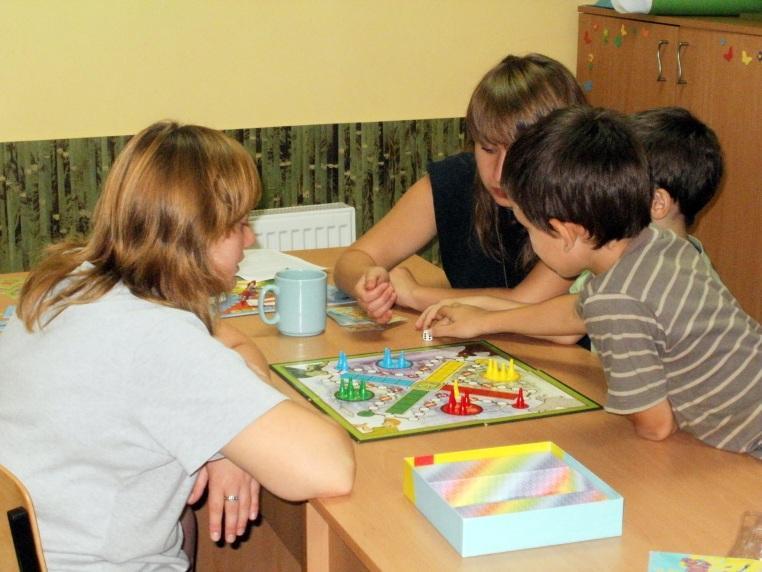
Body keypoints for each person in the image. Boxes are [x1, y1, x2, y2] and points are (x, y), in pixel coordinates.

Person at [0, 121, 356, 570]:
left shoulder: (67, 282)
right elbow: (328, 468)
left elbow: (226, 338)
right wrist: (243, 420)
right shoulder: (156, 339)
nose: (251, 238)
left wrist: (230, 433)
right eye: (239, 224)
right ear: (197, 234)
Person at [489, 105, 761, 455]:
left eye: (528, 229)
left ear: (564, 232)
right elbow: (576, 312)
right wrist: (481, 321)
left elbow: (657, 426)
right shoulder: (659, 245)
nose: (530, 240)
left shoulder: (614, 299)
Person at [418, 107, 726, 345]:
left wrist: (480, 317)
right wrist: (477, 314)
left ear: (657, 202)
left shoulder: (656, 271)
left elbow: (570, 324)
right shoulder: (630, 258)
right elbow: (572, 313)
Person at [333, 53, 587, 323]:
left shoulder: (579, 200)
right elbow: (353, 260)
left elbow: (528, 304)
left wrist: (413, 294)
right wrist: (369, 284)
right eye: (488, 148)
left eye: (517, 154)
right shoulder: (455, 179)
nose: (500, 174)